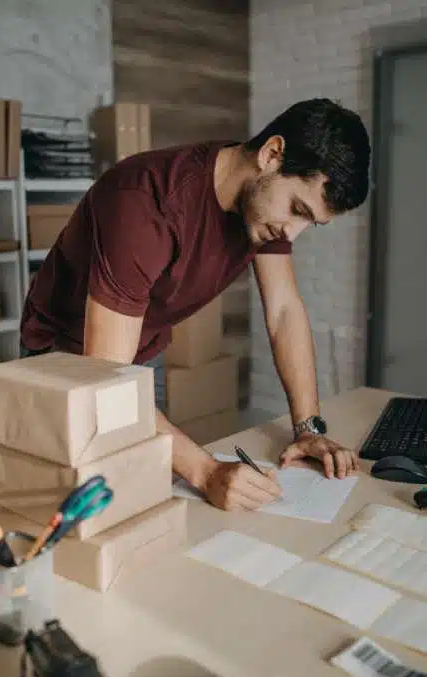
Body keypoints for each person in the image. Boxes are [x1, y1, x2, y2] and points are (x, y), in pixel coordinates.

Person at [21, 97, 371, 512]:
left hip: (137, 355)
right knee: (64, 515)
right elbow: (106, 381)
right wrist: (205, 471)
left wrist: (308, 427)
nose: (291, 234)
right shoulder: (146, 202)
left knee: (139, 503)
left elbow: (283, 312)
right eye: (297, 210)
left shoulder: (260, 202)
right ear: (271, 154)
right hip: (62, 359)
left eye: (310, 222)